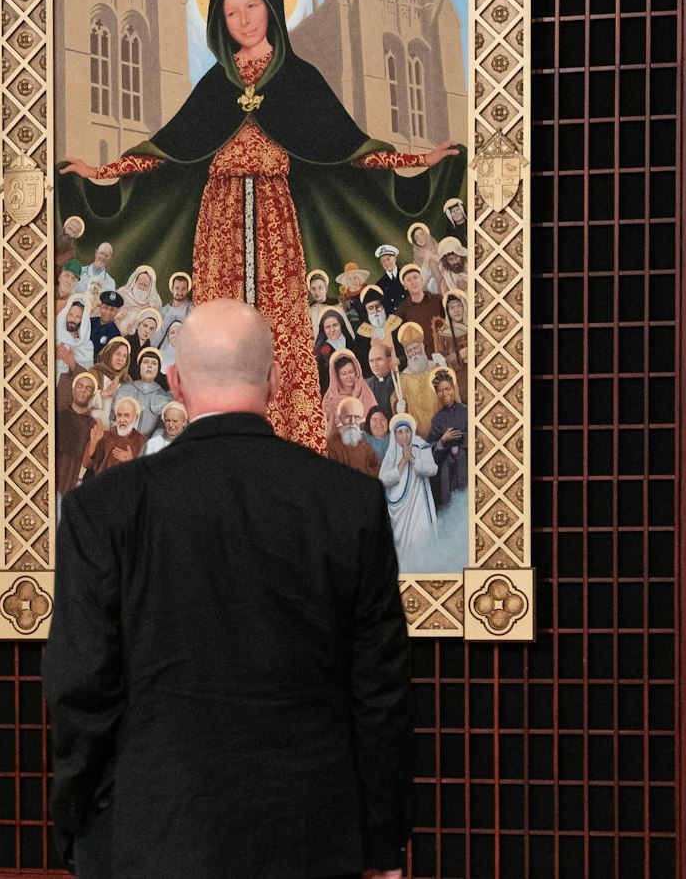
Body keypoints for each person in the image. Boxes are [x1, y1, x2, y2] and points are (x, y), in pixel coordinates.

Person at [44, 299, 413, 879]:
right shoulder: (350, 503)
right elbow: (380, 693)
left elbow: (80, 687)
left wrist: (80, 829)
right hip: (312, 841)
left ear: (175, 381)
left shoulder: (102, 509)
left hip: (154, 838)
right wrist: (384, 843)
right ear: (276, 378)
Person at [61, 0, 458, 454]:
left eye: (253, 6)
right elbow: (168, 150)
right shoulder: (216, 85)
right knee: (220, 330)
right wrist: (103, 173)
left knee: (279, 330)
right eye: (231, 12)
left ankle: (289, 445)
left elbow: (349, 148)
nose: (244, 20)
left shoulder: (300, 79)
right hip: (219, 218)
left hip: (275, 216)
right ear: (219, 22)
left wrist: (420, 159)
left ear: (271, 7)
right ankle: (220, 443)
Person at [378, 411, 439, 557]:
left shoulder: (421, 446)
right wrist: (403, 462)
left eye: (407, 431)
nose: (404, 436)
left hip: (419, 504)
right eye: (400, 432)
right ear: (395, 434)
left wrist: (412, 459)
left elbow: (433, 469)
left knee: (419, 538)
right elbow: (383, 479)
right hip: (397, 506)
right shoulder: (392, 451)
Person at [56, 371, 104, 495]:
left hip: (76, 478)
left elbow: (93, 459)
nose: (83, 391)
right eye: (80, 386)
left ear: (92, 395)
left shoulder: (93, 424)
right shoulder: (59, 416)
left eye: (88, 388)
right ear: (73, 390)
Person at [426, 370, 469, 506]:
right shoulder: (437, 419)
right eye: (440, 391)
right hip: (447, 470)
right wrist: (443, 440)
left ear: (453, 389)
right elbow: (430, 449)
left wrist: (460, 437)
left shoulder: (466, 411)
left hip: (465, 465)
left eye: (447, 389)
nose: (444, 394)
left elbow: (479, 437)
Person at [115, 347, 173, 437]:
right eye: (145, 362)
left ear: (158, 370)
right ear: (140, 366)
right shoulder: (125, 389)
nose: (149, 366)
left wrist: (149, 446)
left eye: (154, 363)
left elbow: (162, 428)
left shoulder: (164, 396)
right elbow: (113, 419)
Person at [84, 394, 147, 477]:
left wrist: (130, 461)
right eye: (119, 415)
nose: (122, 419)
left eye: (126, 415)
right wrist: (93, 443)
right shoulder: (103, 435)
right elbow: (86, 465)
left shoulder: (141, 441)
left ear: (136, 417)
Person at [394, 264, 445, 357]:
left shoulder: (437, 299)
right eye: (409, 280)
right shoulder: (403, 310)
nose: (413, 282)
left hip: (446, 349)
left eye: (415, 277)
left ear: (421, 281)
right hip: (425, 357)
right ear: (405, 286)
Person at [322, 347, 376, 433]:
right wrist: (327, 416)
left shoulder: (365, 392)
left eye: (351, 372)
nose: (348, 377)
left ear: (357, 371)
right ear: (337, 376)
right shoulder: (330, 396)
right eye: (343, 374)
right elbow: (325, 429)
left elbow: (375, 419)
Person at [325, 395, 382, 476]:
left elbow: (379, 468)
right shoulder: (331, 445)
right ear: (340, 418)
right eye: (348, 417)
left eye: (357, 418)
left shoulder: (365, 447)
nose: (352, 422)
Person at [312, 307, 356, 392]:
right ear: (323, 329)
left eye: (335, 325)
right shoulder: (320, 352)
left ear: (341, 325)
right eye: (328, 327)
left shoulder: (351, 342)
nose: (332, 330)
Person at [116, 264, 164, 333]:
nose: (142, 288)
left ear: (150, 288)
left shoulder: (154, 304)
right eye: (140, 284)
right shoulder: (122, 293)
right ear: (134, 282)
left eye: (145, 286)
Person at [55, 295, 94, 380]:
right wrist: (55, 356)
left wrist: (71, 362)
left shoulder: (87, 346)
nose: (72, 319)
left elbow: (88, 377)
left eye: (77, 317)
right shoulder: (55, 337)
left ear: (83, 321)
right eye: (70, 314)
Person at [406, 222, 444, 294]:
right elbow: (421, 280)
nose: (420, 238)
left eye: (421, 234)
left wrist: (432, 255)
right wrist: (426, 260)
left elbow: (447, 264)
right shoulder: (417, 258)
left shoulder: (439, 247)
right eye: (416, 237)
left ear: (426, 235)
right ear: (414, 241)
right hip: (432, 291)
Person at [90, 289, 124, 362]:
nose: (107, 312)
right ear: (101, 306)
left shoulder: (116, 335)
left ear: (117, 311)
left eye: (112, 310)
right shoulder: (90, 322)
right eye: (105, 307)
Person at [374, 244, 407, 313]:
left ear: (395, 258)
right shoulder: (380, 284)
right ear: (381, 263)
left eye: (388, 259)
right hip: (396, 317)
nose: (386, 263)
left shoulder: (406, 274)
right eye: (383, 261)